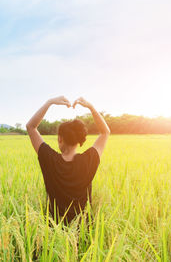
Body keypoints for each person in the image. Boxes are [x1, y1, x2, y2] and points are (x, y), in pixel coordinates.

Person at [26, 96, 110, 224]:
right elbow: (105, 132)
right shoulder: (89, 160)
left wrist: (49, 102)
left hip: (54, 229)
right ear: (79, 141)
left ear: (60, 139)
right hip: (83, 231)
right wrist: (91, 107)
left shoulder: (49, 159)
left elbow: (31, 127)